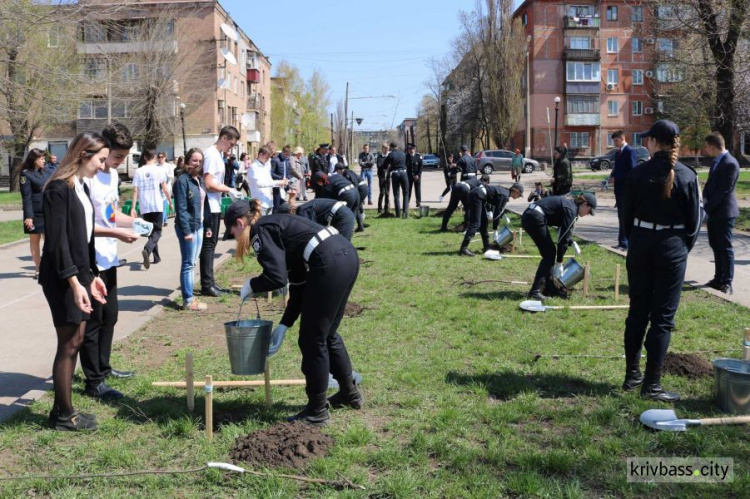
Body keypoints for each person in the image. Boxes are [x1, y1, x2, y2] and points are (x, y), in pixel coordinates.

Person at [226, 199, 362, 426]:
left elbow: (275, 278)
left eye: (233, 233)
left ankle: (317, 411)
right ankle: (349, 393)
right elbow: (297, 283)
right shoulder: (277, 225)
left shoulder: (261, 231)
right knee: (327, 334)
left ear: (240, 223)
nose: (236, 239)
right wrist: (284, 324)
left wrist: (252, 285)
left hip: (329, 262)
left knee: (312, 340)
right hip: (345, 256)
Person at [620, 120, 701, 402]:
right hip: (671, 247)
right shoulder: (687, 175)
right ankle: (651, 384)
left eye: (648, 139)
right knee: (662, 319)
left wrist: (638, 238)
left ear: (655, 142)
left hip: (642, 244)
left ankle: (633, 375)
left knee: (638, 312)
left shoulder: (638, 173)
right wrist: (678, 246)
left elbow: (625, 217)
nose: (645, 143)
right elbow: (694, 222)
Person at [40, 131, 109, 431]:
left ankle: (60, 410)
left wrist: (91, 278)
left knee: (77, 340)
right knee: (68, 344)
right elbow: (57, 243)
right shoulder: (58, 188)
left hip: (79, 277)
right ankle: (65, 416)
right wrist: (74, 282)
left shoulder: (80, 186)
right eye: (101, 159)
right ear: (84, 155)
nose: (103, 166)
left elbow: (83, 240)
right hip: (61, 277)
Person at [80, 123, 141, 401]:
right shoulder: (87, 176)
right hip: (90, 256)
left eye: (121, 158)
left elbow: (111, 213)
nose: (117, 163)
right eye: (115, 157)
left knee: (110, 316)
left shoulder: (112, 175)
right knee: (93, 320)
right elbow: (84, 225)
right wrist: (116, 231)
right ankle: (93, 382)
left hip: (109, 256)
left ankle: (104, 368)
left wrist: (137, 222)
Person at [521, 193, 596, 300]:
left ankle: (549, 288)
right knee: (549, 254)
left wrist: (570, 241)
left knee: (550, 253)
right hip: (533, 217)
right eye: (589, 211)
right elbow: (562, 240)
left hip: (531, 215)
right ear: (584, 204)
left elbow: (564, 232)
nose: (588, 214)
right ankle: (535, 292)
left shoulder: (571, 207)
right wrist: (559, 263)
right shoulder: (571, 211)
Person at [200, 125, 243, 297]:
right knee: (208, 245)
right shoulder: (211, 154)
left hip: (215, 204)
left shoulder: (218, 154)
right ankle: (206, 284)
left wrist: (228, 189)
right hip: (209, 205)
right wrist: (227, 189)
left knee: (212, 244)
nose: (231, 148)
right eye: (231, 144)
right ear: (223, 138)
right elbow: (209, 184)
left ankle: (210, 281)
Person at [173, 148, 212, 311]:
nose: (197, 163)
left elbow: (205, 205)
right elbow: (181, 208)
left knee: (193, 262)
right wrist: (187, 231)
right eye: (194, 160)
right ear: (188, 160)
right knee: (188, 264)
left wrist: (207, 225)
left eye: (200, 161)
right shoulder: (182, 181)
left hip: (200, 226)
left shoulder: (199, 180)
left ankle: (190, 297)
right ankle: (188, 300)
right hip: (187, 228)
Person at [703, 132, 739, 295]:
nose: (706, 150)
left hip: (724, 212)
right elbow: (712, 185)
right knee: (715, 245)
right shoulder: (716, 161)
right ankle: (718, 278)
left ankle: (727, 282)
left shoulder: (730, 163)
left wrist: (708, 207)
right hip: (714, 211)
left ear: (712, 146)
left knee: (725, 247)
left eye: (706, 146)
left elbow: (725, 190)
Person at [458, 178, 523, 256]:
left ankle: (486, 246)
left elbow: (498, 209)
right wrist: (495, 229)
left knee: (484, 222)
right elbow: (497, 213)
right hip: (476, 196)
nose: (519, 197)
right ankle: (463, 249)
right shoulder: (504, 196)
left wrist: (501, 215)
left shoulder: (505, 193)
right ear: (516, 191)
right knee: (476, 224)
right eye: (519, 194)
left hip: (478, 195)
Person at [131, 149, 171, 269]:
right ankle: (147, 249)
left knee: (151, 232)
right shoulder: (159, 170)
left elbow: (135, 190)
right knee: (157, 231)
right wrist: (170, 200)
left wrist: (133, 207)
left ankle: (156, 257)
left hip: (145, 205)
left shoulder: (138, 171)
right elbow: (164, 187)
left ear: (144, 157)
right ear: (154, 157)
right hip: (156, 204)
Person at [19, 148, 52, 278]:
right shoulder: (25, 175)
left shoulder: (47, 172)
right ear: (34, 160)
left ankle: (49, 266)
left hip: (48, 211)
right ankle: (38, 268)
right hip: (34, 214)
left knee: (49, 240)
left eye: (44, 158)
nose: (44, 160)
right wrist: (28, 216)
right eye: (41, 158)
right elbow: (26, 197)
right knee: (35, 240)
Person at [609, 131, 637, 250]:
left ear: (622, 138)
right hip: (619, 190)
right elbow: (618, 168)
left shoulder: (630, 151)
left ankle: (625, 242)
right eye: (614, 141)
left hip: (626, 189)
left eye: (616, 140)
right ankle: (622, 242)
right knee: (621, 216)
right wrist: (611, 176)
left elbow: (632, 171)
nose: (615, 143)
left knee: (625, 216)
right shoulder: (618, 153)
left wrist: (617, 177)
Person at [248, 146, 288, 213]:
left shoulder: (266, 166)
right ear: (260, 154)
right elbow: (259, 183)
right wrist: (278, 182)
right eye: (266, 157)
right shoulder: (254, 167)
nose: (268, 160)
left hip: (268, 202)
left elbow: (269, 181)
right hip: (259, 202)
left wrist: (280, 183)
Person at [382, 142, 409, 218]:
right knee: (406, 194)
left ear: (391, 147)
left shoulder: (391, 155)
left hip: (395, 174)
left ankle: (398, 214)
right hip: (404, 173)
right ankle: (405, 213)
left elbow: (385, 165)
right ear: (397, 146)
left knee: (396, 195)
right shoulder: (403, 154)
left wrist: (388, 167)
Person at [337, 163, 366, 232]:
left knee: (354, 208)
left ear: (339, 170)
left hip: (360, 188)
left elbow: (355, 183)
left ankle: (352, 227)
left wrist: (357, 195)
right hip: (361, 188)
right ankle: (360, 225)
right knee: (356, 208)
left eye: (337, 171)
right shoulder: (347, 172)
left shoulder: (347, 174)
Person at [156, 152, 175, 226]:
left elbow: (172, 176)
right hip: (159, 188)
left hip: (167, 187)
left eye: (162, 157)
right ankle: (165, 220)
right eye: (159, 157)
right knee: (162, 204)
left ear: (165, 157)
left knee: (164, 203)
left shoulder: (168, 166)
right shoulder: (156, 166)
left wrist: (166, 174)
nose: (160, 158)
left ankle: (163, 220)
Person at [271, 145, 291, 210]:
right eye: (286, 154)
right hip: (277, 184)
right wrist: (280, 178)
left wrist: (288, 178)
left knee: (283, 203)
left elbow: (288, 171)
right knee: (277, 203)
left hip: (285, 184)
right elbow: (271, 173)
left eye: (288, 155)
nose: (287, 156)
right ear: (283, 152)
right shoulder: (275, 160)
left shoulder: (287, 160)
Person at [288, 146, 305, 212]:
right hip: (293, 180)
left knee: (293, 196)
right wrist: (300, 176)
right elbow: (293, 169)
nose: (301, 155)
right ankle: (292, 211)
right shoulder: (292, 158)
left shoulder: (296, 158)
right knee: (292, 197)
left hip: (296, 180)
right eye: (300, 153)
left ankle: (290, 210)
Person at [406, 143, 423, 208]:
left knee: (417, 189)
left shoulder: (418, 156)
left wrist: (418, 175)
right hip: (409, 176)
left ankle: (418, 202)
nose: (411, 150)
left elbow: (421, 167)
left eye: (412, 149)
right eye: (409, 149)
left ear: (414, 149)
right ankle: (407, 202)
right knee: (408, 189)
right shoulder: (406, 156)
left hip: (417, 176)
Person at [375, 143, 389, 213]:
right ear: (382, 149)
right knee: (382, 192)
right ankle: (379, 208)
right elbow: (379, 166)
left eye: (387, 148)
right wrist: (386, 167)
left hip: (388, 177)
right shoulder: (379, 157)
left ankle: (386, 207)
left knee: (387, 193)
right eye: (385, 148)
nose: (386, 149)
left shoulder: (389, 156)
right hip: (382, 177)